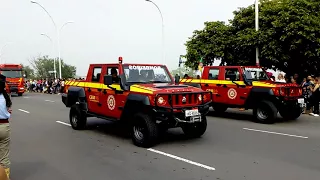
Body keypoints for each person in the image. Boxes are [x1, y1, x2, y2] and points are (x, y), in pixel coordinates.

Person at [0, 74, 12, 179]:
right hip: (4, 126)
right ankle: (5, 177)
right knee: (4, 157)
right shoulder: (5, 96)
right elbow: (8, 110)